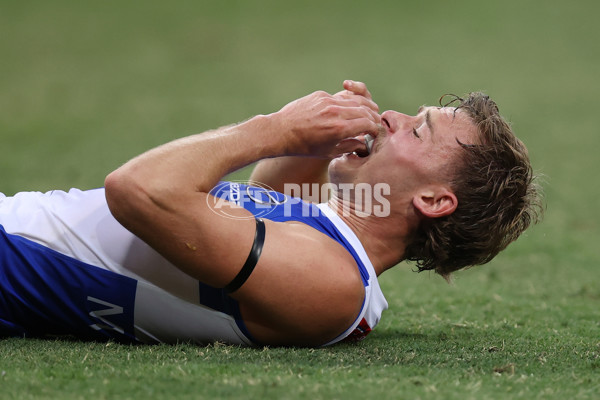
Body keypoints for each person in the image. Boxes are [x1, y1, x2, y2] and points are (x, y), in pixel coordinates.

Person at [0, 80, 542, 347]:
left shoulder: (331, 285)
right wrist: (312, 140)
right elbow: (275, 203)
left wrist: (274, 129)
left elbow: (139, 190)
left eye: (417, 128)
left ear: (432, 201)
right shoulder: (330, 249)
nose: (392, 116)